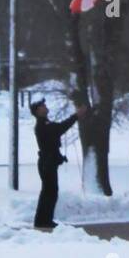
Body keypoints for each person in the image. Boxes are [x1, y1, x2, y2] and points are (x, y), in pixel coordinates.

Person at [31, 95, 88, 230]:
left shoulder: (46, 123)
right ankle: (42, 221)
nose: (45, 107)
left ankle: (45, 220)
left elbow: (55, 135)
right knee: (49, 192)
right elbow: (60, 128)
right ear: (38, 111)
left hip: (49, 162)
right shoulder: (42, 124)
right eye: (42, 106)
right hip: (47, 163)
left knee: (50, 192)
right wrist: (76, 116)